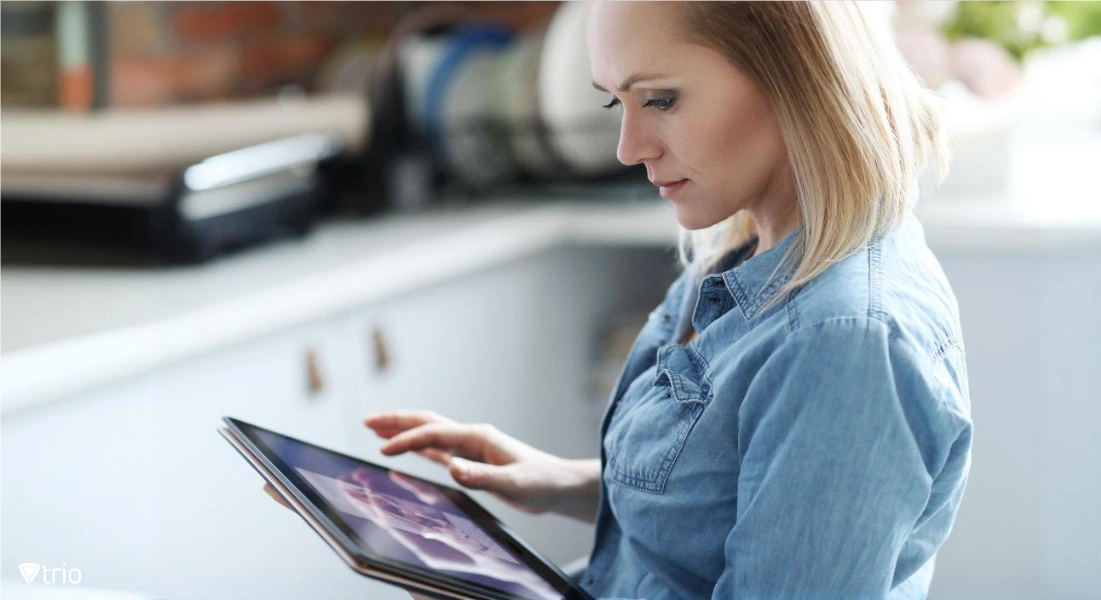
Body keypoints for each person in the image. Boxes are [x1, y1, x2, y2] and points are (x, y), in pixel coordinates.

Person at [268, 1, 972, 598]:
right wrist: (560, 483)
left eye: (660, 99)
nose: (628, 147)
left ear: (795, 75)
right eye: (616, 102)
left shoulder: (844, 342)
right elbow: (728, 499)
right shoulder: (750, 243)